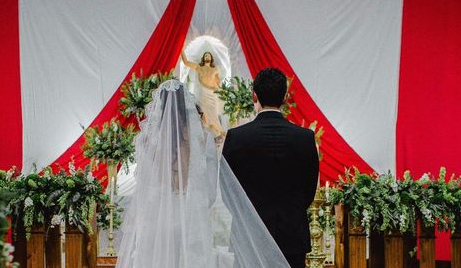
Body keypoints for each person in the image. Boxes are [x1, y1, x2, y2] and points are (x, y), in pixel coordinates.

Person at [117, 79, 291, 268]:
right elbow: (208, 193)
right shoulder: (201, 140)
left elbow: (142, 187)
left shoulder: (146, 142)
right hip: (189, 221)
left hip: (155, 223)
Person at [222, 68, 319, 268]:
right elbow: (309, 190)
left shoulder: (237, 137)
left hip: (249, 235)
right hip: (292, 233)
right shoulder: (305, 138)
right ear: (284, 97)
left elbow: (227, 190)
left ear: (254, 95)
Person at [181, 51, 226, 138]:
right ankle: (207, 135)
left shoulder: (215, 69)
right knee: (204, 114)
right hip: (202, 93)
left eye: (208, 55)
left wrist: (224, 92)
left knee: (213, 114)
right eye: (205, 55)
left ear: (211, 58)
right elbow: (186, 62)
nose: (207, 56)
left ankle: (218, 133)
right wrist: (181, 50)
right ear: (203, 58)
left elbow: (218, 83)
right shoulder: (199, 67)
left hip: (212, 94)